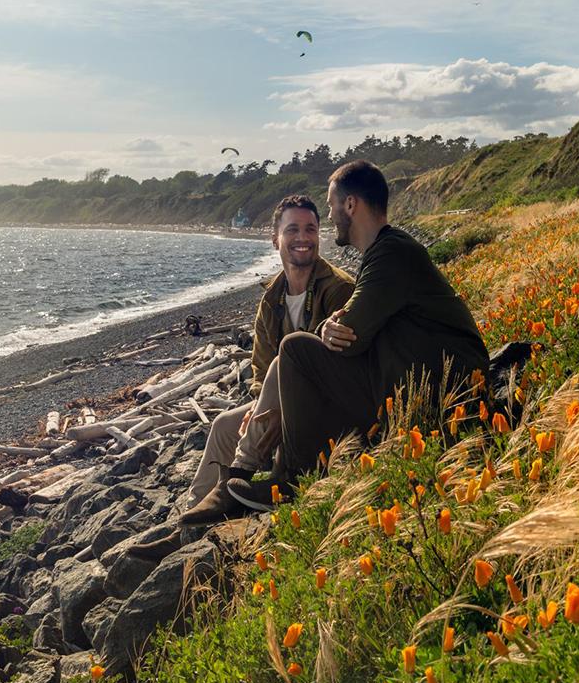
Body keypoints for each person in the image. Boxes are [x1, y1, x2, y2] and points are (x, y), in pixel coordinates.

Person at [227, 160, 490, 512]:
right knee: (301, 358)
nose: (332, 216)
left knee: (295, 350)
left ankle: (290, 479)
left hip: (443, 391)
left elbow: (351, 336)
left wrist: (330, 327)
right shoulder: (382, 254)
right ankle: (266, 475)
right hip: (415, 383)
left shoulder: (392, 252)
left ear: (351, 204)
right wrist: (334, 326)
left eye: (334, 205)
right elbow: (353, 323)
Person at [127, 195, 354, 559]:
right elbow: (261, 369)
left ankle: (237, 484)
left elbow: (340, 365)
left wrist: (271, 404)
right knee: (222, 425)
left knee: (284, 368)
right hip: (278, 404)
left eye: (311, 229)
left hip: (322, 411)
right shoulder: (272, 298)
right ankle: (187, 526)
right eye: (292, 229)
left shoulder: (337, 288)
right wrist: (258, 403)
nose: (303, 237)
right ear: (275, 239)